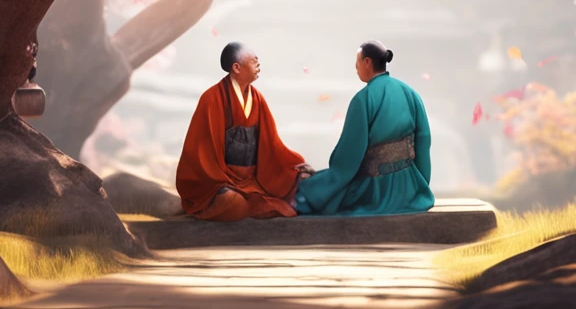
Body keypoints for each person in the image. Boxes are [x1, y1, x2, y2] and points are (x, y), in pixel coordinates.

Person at [294, 39, 434, 217]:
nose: (356, 67)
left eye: (357, 62)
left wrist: (321, 179)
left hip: (376, 190)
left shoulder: (364, 99)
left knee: (309, 191)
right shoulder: (410, 93)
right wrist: (420, 184)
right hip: (409, 189)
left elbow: (348, 158)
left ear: (367, 62)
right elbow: (423, 140)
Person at [176, 42, 313, 220]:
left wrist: (294, 164)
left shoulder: (257, 98)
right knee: (233, 202)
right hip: (220, 180)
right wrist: (222, 181)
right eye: (254, 61)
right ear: (237, 68)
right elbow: (202, 152)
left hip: (250, 181)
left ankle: (251, 202)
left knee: (296, 180)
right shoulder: (212, 98)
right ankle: (244, 203)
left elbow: (271, 143)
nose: (258, 65)